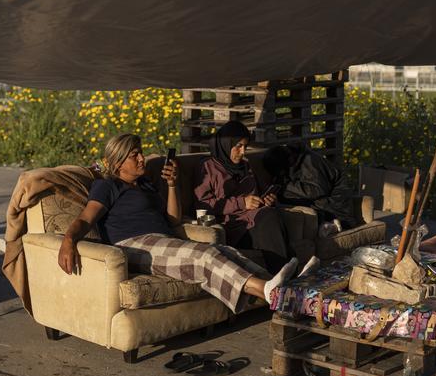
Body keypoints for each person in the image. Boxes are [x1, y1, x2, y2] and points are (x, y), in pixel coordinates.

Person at [57, 133, 300, 312]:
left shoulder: (145, 185)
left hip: (163, 240)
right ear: (119, 162)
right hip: (133, 246)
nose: (142, 159)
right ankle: (271, 291)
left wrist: (172, 185)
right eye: (135, 156)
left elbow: (172, 219)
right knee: (203, 257)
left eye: (141, 152)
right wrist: (69, 240)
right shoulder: (107, 186)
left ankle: (281, 289)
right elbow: (86, 218)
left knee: (224, 251)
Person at [193, 121, 291, 269]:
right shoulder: (208, 168)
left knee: (271, 215)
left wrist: (266, 200)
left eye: (245, 146)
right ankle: (287, 274)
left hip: (255, 219)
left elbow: (257, 193)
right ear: (226, 144)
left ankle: (284, 275)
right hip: (234, 226)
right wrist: (242, 203)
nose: (243, 151)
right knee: (268, 219)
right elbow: (203, 205)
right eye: (238, 146)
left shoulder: (245, 166)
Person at [262, 141, 358, 228]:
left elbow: (318, 190)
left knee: (287, 194)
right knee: (286, 196)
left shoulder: (309, 161)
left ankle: (333, 225)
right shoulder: (296, 160)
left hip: (337, 207)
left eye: (281, 173)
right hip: (329, 203)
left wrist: (286, 186)